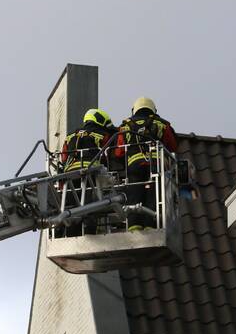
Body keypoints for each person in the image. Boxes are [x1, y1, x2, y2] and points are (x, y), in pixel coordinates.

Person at [114, 97, 177, 231]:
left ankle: (133, 225)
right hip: (155, 166)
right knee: (153, 193)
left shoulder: (125, 126)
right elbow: (172, 145)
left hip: (133, 167)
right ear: (153, 109)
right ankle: (150, 224)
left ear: (134, 110)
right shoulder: (161, 124)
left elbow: (118, 152)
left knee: (134, 192)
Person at [58, 108, 115, 236]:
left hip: (70, 175)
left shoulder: (70, 136)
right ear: (100, 120)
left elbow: (64, 157)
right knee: (90, 205)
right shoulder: (103, 134)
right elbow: (109, 154)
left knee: (72, 206)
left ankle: (72, 236)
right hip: (91, 173)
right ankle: (89, 232)